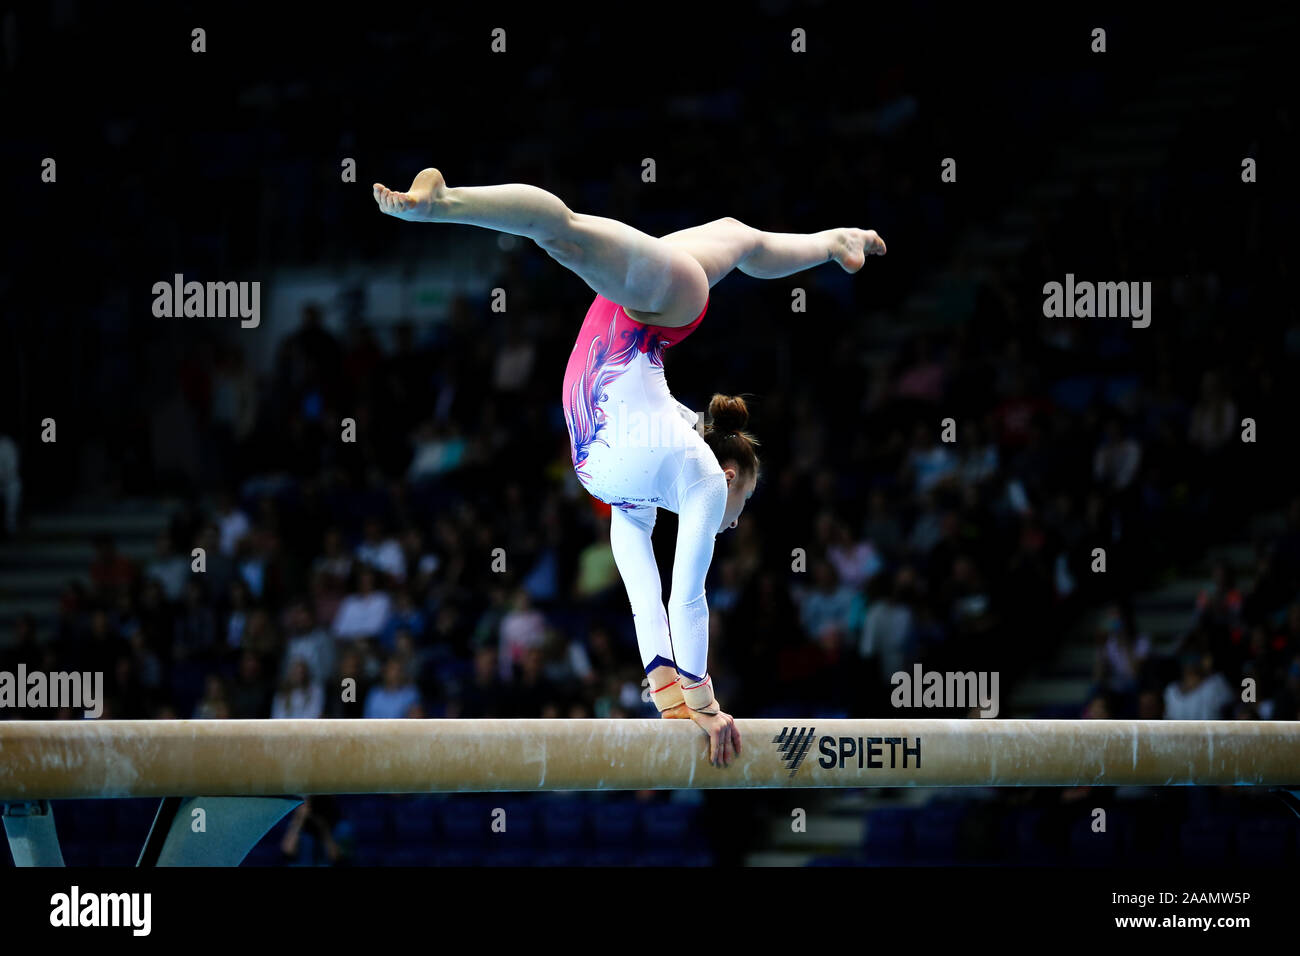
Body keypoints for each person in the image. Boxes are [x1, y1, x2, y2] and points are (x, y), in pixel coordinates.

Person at [373, 168, 886, 766]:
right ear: (730, 478)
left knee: (733, 235)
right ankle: (443, 204)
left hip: (629, 347)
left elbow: (648, 601)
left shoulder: (646, 485)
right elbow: (686, 599)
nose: (736, 520)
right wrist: (707, 704)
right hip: (648, 326)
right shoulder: (698, 477)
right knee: (561, 232)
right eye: (743, 503)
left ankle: (832, 241)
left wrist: (674, 703)